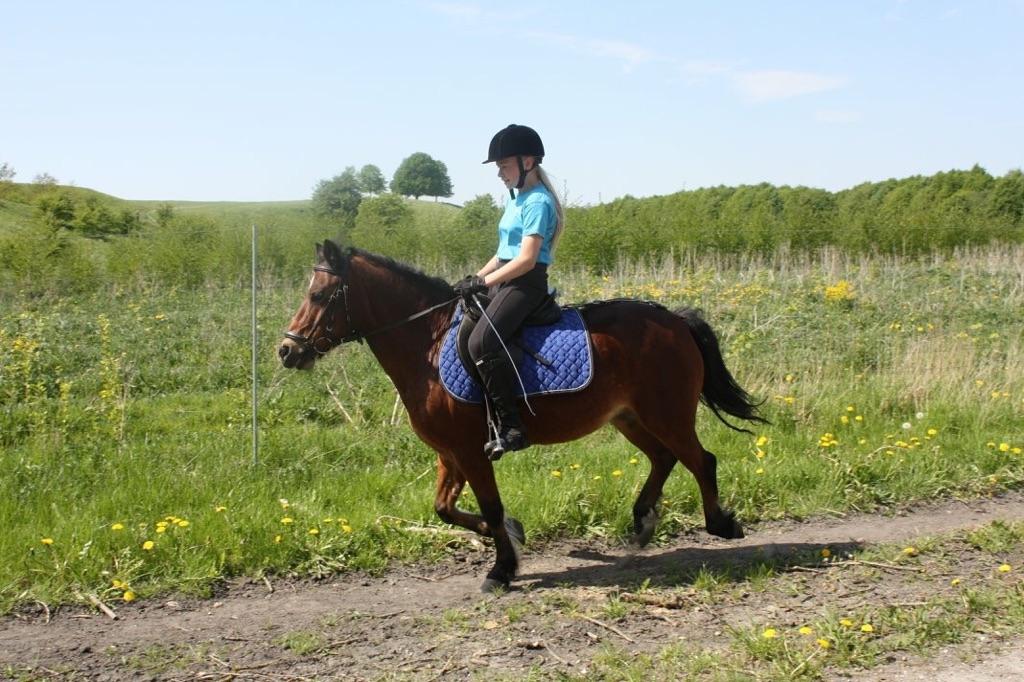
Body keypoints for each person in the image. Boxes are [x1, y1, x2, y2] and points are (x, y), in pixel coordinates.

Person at [453, 124, 566, 460]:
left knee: (482, 342)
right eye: (500, 167)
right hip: (505, 278)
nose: (500, 174)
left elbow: (527, 259)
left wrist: (484, 283)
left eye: (504, 166)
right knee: (464, 334)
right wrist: (476, 276)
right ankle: (486, 413)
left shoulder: (539, 202)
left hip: (525, 284)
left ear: (527, 162)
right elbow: (504, 250)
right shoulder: (516, 199)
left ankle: (513, 427)